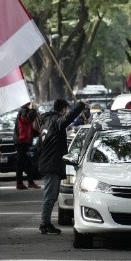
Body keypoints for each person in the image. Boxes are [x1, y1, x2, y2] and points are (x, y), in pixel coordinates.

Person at [37, 98, 86, 234]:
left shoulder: (46, 121)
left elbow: (39, 146)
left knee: (51, 196)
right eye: (67, 110)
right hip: (51, 164)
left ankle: (45, 223)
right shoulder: (56, 121)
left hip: (48, 162)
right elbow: (67, 119)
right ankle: (45, 224)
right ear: (64, 109)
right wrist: (80, 105)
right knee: (50, 196)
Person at [14, 102, 41, 190]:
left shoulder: (25, 111)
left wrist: (36, 133)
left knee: (24, 162)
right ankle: (24, 182)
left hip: (24, 140)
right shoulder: (23, 111)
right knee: (23, 162)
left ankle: (26, 182)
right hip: (21, 141)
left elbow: (28, 126)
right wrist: (33, 110)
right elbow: (28, 119)